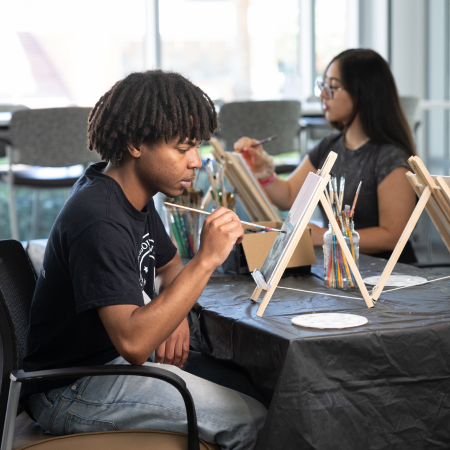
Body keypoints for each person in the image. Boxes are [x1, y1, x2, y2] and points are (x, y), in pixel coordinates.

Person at [21, 70, 267, 450]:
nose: (197, 161)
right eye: (183, 149)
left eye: (197, 148)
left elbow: (169, 267)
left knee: (258, 387)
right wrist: (206, 258)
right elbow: (135, 342)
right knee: (253, 421)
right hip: (69, 388)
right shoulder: (99, 215)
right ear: (136, 143)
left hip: (107, 364)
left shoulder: (132, 194)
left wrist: (176, 316)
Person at [234, 48, 417, 264]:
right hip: (339, 268)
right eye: (324, 85)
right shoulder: (330, 146)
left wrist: (324, 236)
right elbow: (291, 196)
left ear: (363, 93)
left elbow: (392, 236)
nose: (323, 94)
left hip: (388, 276)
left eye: (333, 87)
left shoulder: (391, 158)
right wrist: (264, 174)